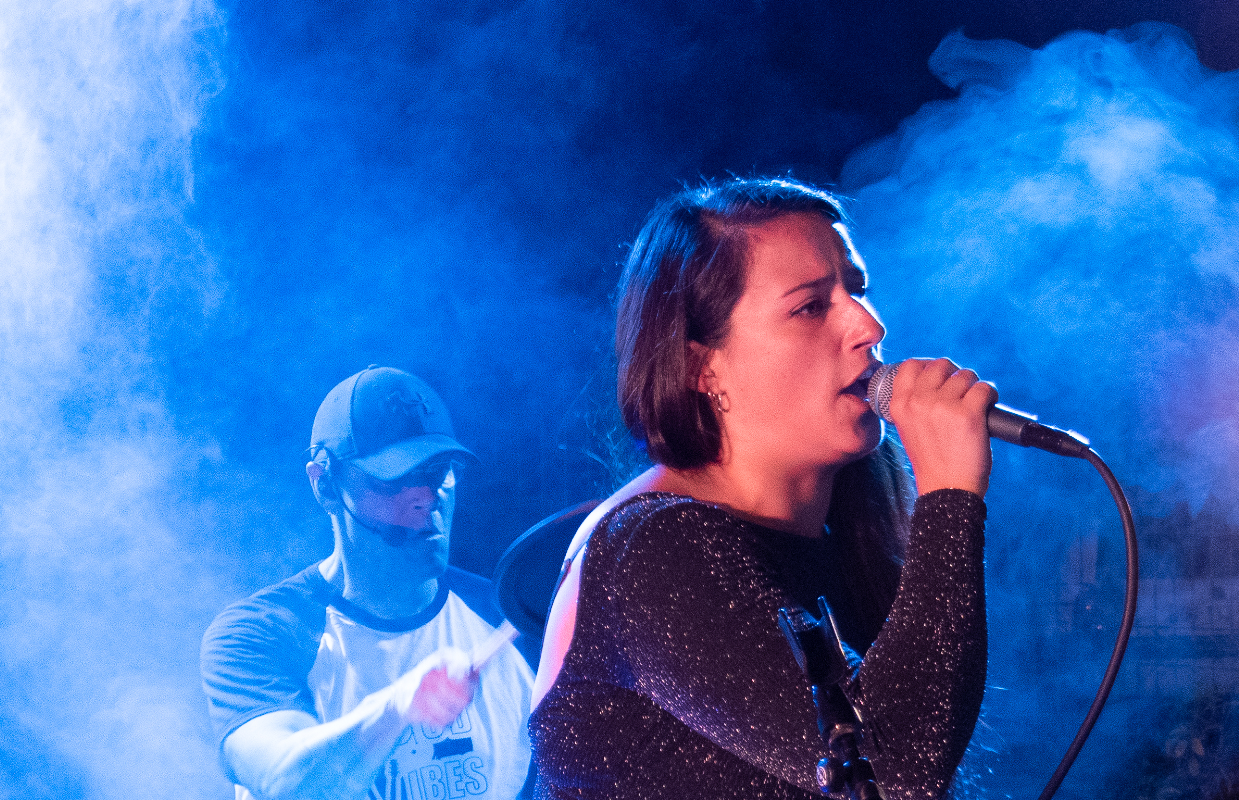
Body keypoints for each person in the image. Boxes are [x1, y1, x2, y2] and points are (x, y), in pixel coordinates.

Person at [526, 178, 990, 799]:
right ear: (702, 367)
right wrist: (951, 498)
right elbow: (893, 773)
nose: (869, 325)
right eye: (810, 306)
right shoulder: (654, 550)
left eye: (856, 289)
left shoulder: (846, 544)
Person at [203, 366, 535, 800]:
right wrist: (397, 707)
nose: (428, 495)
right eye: (396, 475)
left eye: (440, 471)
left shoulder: (503, 615)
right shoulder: (258, 635)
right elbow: (286, 783)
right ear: (324, 485)